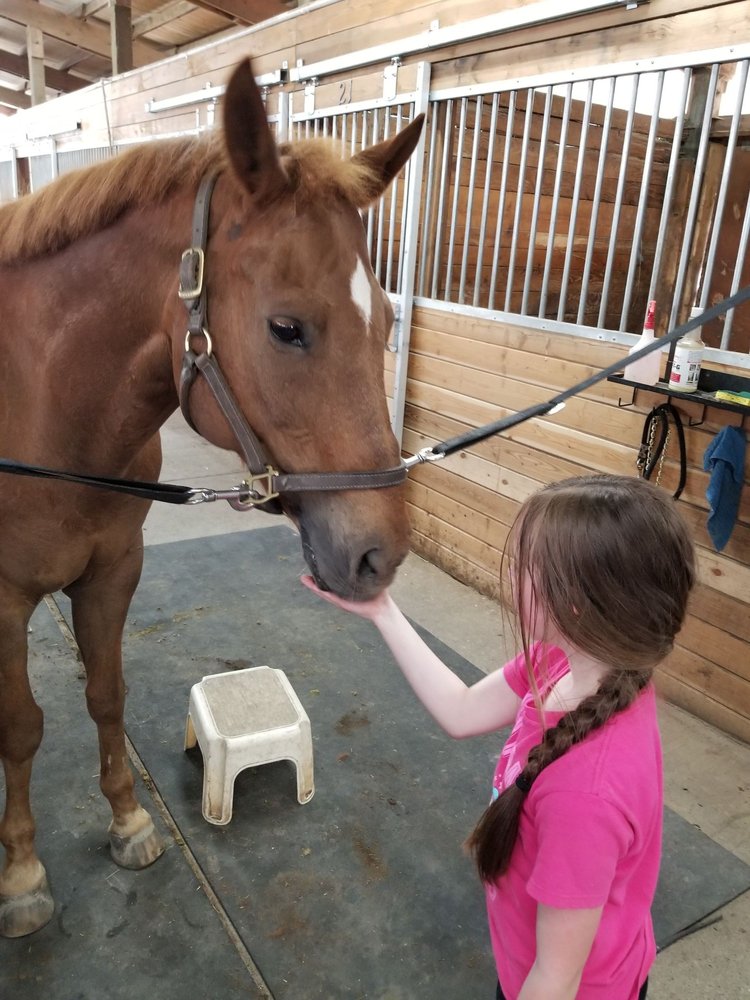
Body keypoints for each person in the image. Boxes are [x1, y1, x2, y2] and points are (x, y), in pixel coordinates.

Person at [301, 473, 696, 1000]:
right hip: (538, 957)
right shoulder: (570, 658)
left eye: (528, 568)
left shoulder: (583, 795)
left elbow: (556, 980)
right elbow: (462, 711)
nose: (514, 579)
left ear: (574, 600)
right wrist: (383, 612)